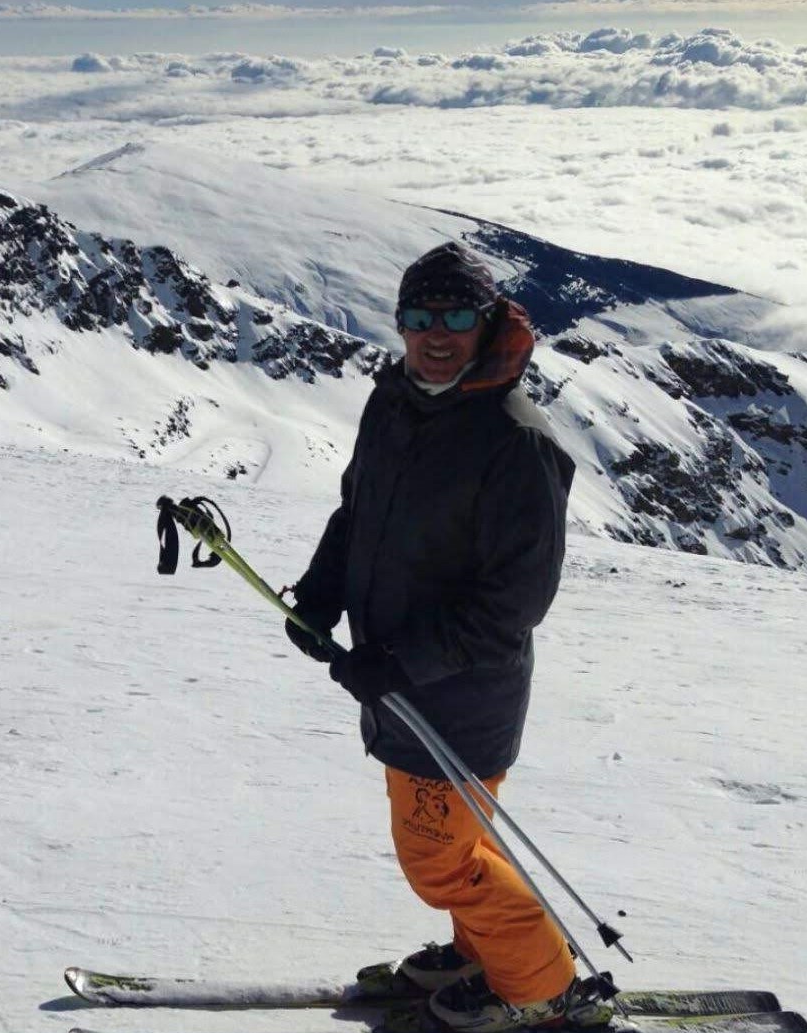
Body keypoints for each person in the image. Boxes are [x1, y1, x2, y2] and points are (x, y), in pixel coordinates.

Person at [284, 242, 599, 1032]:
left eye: (457, 316)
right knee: (464, 842)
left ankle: (539, 988)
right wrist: (320, 595)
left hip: (457, 697)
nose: (436, 333)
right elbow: (357, 512)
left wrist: (400, 661)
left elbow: (513, 603)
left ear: (487, 320)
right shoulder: (395, 401)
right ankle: (485, 950)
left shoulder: (515, 441)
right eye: (419, 316)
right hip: (396, 682)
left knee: (440, 857)